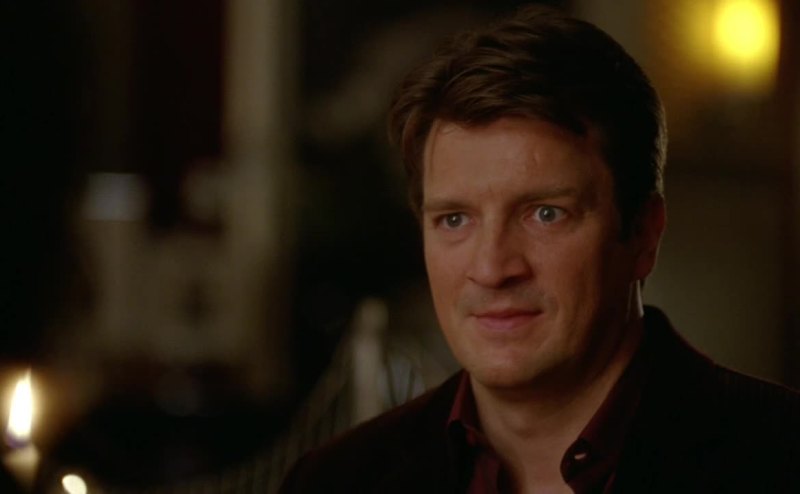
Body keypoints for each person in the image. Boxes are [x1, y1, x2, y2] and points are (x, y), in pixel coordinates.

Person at [280, 5, 800, 493]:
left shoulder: (780, 456)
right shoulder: (335, 481)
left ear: (644, 233)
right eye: (455, 219)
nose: (491, 268)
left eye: (545, 214)